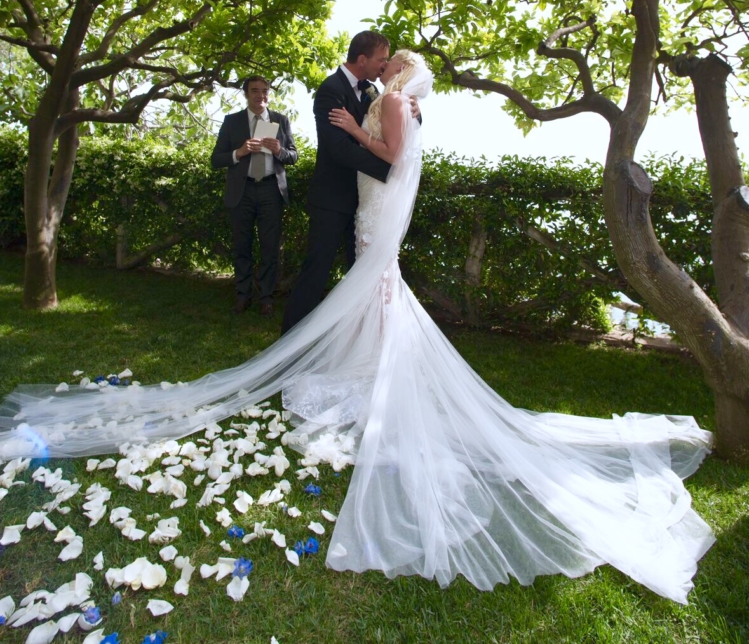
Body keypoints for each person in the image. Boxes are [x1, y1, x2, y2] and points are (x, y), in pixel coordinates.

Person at [0, 51, 714, 605]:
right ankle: (370, 363)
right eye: (386, 60)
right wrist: (349, 123)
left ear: (404, 75)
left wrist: (351, 130)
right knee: (375, 290)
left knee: (377, 286)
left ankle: (378, 367)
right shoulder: (387, 98)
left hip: (377, 203)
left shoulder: (396, 102)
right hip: (371, 206)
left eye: (394, 62)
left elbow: (394, 157)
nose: (388, 67)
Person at [280, 30, 392, 333]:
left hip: (364, 201)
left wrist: (414, 110)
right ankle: (289, 345)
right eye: (381, 59)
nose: (384, 65)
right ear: (361, 59)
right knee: (316, 273)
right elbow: (338, 149)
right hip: (332, 199)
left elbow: (394, 125)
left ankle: (356, 344)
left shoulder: (372, 90)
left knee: (363, 275)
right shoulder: (331, 89)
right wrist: (389, 170)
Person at [211, 75, 298, 316]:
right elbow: (216, 159)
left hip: (271, 189)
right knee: (242, 245)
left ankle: (267, 298)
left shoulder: (280, 120)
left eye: (265, 90)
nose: (261, 95)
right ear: (246, 94)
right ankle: (243, 295)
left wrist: (279, 150)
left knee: (270, 247)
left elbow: (293, 156)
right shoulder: (232, 122)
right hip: (243, 190)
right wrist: (238, 152)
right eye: (255, 90)